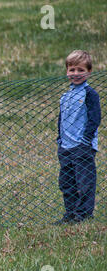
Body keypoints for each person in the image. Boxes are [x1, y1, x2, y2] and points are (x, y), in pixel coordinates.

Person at [54, 50, 101, 225]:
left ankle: (83, 215)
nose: (76, 74)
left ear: (89, 71)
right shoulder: (65, 96)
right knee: (66, 182)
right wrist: (60, 139)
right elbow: (61, 119)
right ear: (67, 71)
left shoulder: (90, 94)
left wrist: (86, 140)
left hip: (82, 146)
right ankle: (71, 214)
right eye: (72, 70)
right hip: (65, 147)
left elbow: (94, 118)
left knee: (84, 183)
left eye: (80, 70)